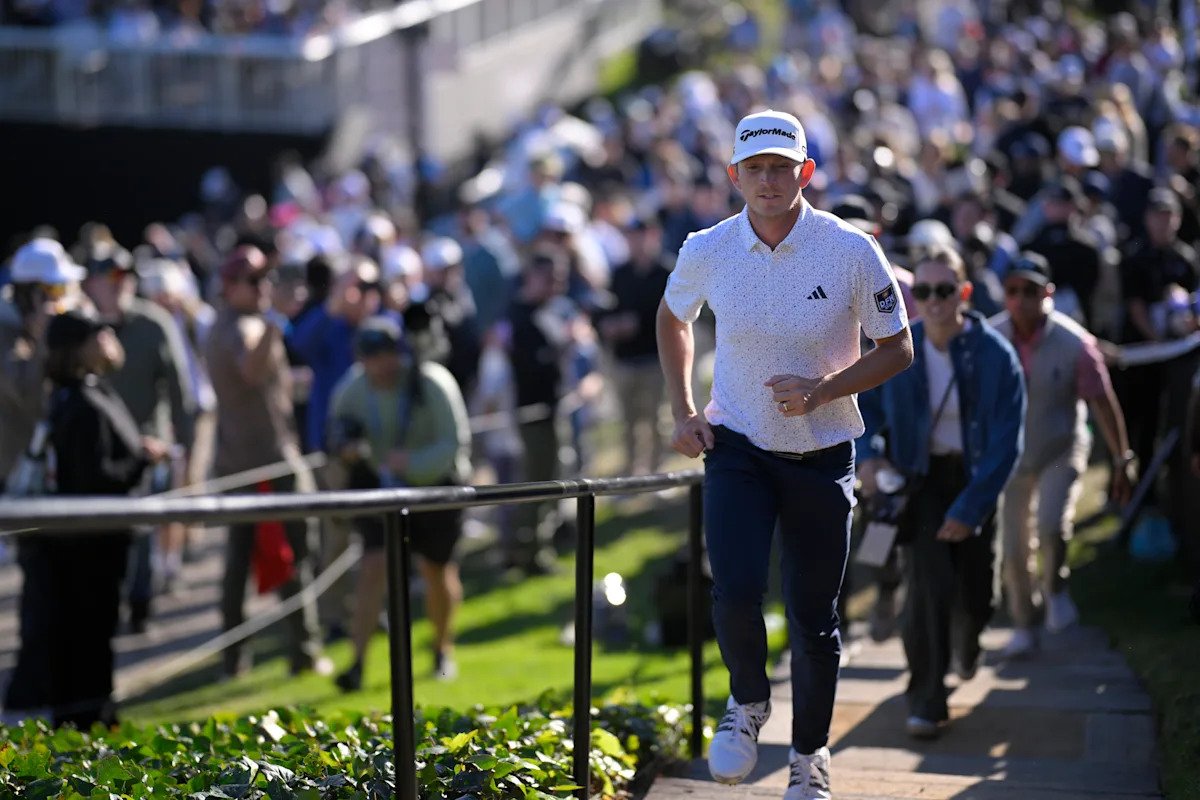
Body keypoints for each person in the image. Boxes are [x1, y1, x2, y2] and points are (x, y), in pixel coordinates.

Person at [657, 109, 914, 800]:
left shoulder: (852, 250)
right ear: (733, 175)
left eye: (782, 167)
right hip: (737, 446)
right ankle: (747, 703)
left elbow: (899, 347)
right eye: (755, 168)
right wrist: (684, 412)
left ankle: (809, 757)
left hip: (825, 453)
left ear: (806, 172)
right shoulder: (706, 247)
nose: (768, 180)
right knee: (736, 589)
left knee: (813, 615)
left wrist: (826, 388)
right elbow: (672, 317)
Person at [857, 246, 1025, 740]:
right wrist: (868, 458)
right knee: (927, 589)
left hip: (974, 480)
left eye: (944, 290)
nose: (932, 300)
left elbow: (1005, 443)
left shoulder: (996, 355)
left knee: (976, 593)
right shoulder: (897, 349)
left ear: (964, 293)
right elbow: (863, 407)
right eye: (923, 290)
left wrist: (972, 508)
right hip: (921, 481)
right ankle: (927, 700)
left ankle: (968, 643)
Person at [991, 253, 1135, 658]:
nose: (1020, 299)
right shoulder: (990, 337)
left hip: (1061, 445)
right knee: (1014, 549)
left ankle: (1055, 587)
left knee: (1052, 525)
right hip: (1012, 454)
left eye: (1030, 291)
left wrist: (1123, 458)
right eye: (1012, 290)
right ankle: (1024, 622)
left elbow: (1103, 403)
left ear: (1048, 293)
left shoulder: (1075, 343)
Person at [35, 310, 167, 727]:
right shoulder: (82, 403)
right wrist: (143, 459)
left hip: (91, 545)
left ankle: (94, 717)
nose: (109, 336)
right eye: (99, 332)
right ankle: (91, 723)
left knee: (91, 635)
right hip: (90, 548)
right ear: (80, 347)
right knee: (89, 637)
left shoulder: (80, 395)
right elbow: (97, 480)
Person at [204, 245, 328, 678]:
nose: (265, 288)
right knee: (290, 552)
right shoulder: (240, 327)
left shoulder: (237, 323)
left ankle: (239, 659)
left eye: (266, 280)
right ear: (231, 286)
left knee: (249, 561)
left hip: (255, 459)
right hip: (263, 465)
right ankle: (303, 650)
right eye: (255, 281)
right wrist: (276, 320)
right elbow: (251, 370)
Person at [328, 317, 472, 690]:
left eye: (389, 355)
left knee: (436, 570)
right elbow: (336, 433)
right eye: (373, 357)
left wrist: (411, 464)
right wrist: (345, 450)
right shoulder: (352, 391)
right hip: (381, 487)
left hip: (436, 487)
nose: (383, 365)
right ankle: (357, 663)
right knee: (374, 566)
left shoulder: (432, 382)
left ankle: (442, 648)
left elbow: (453, 442)